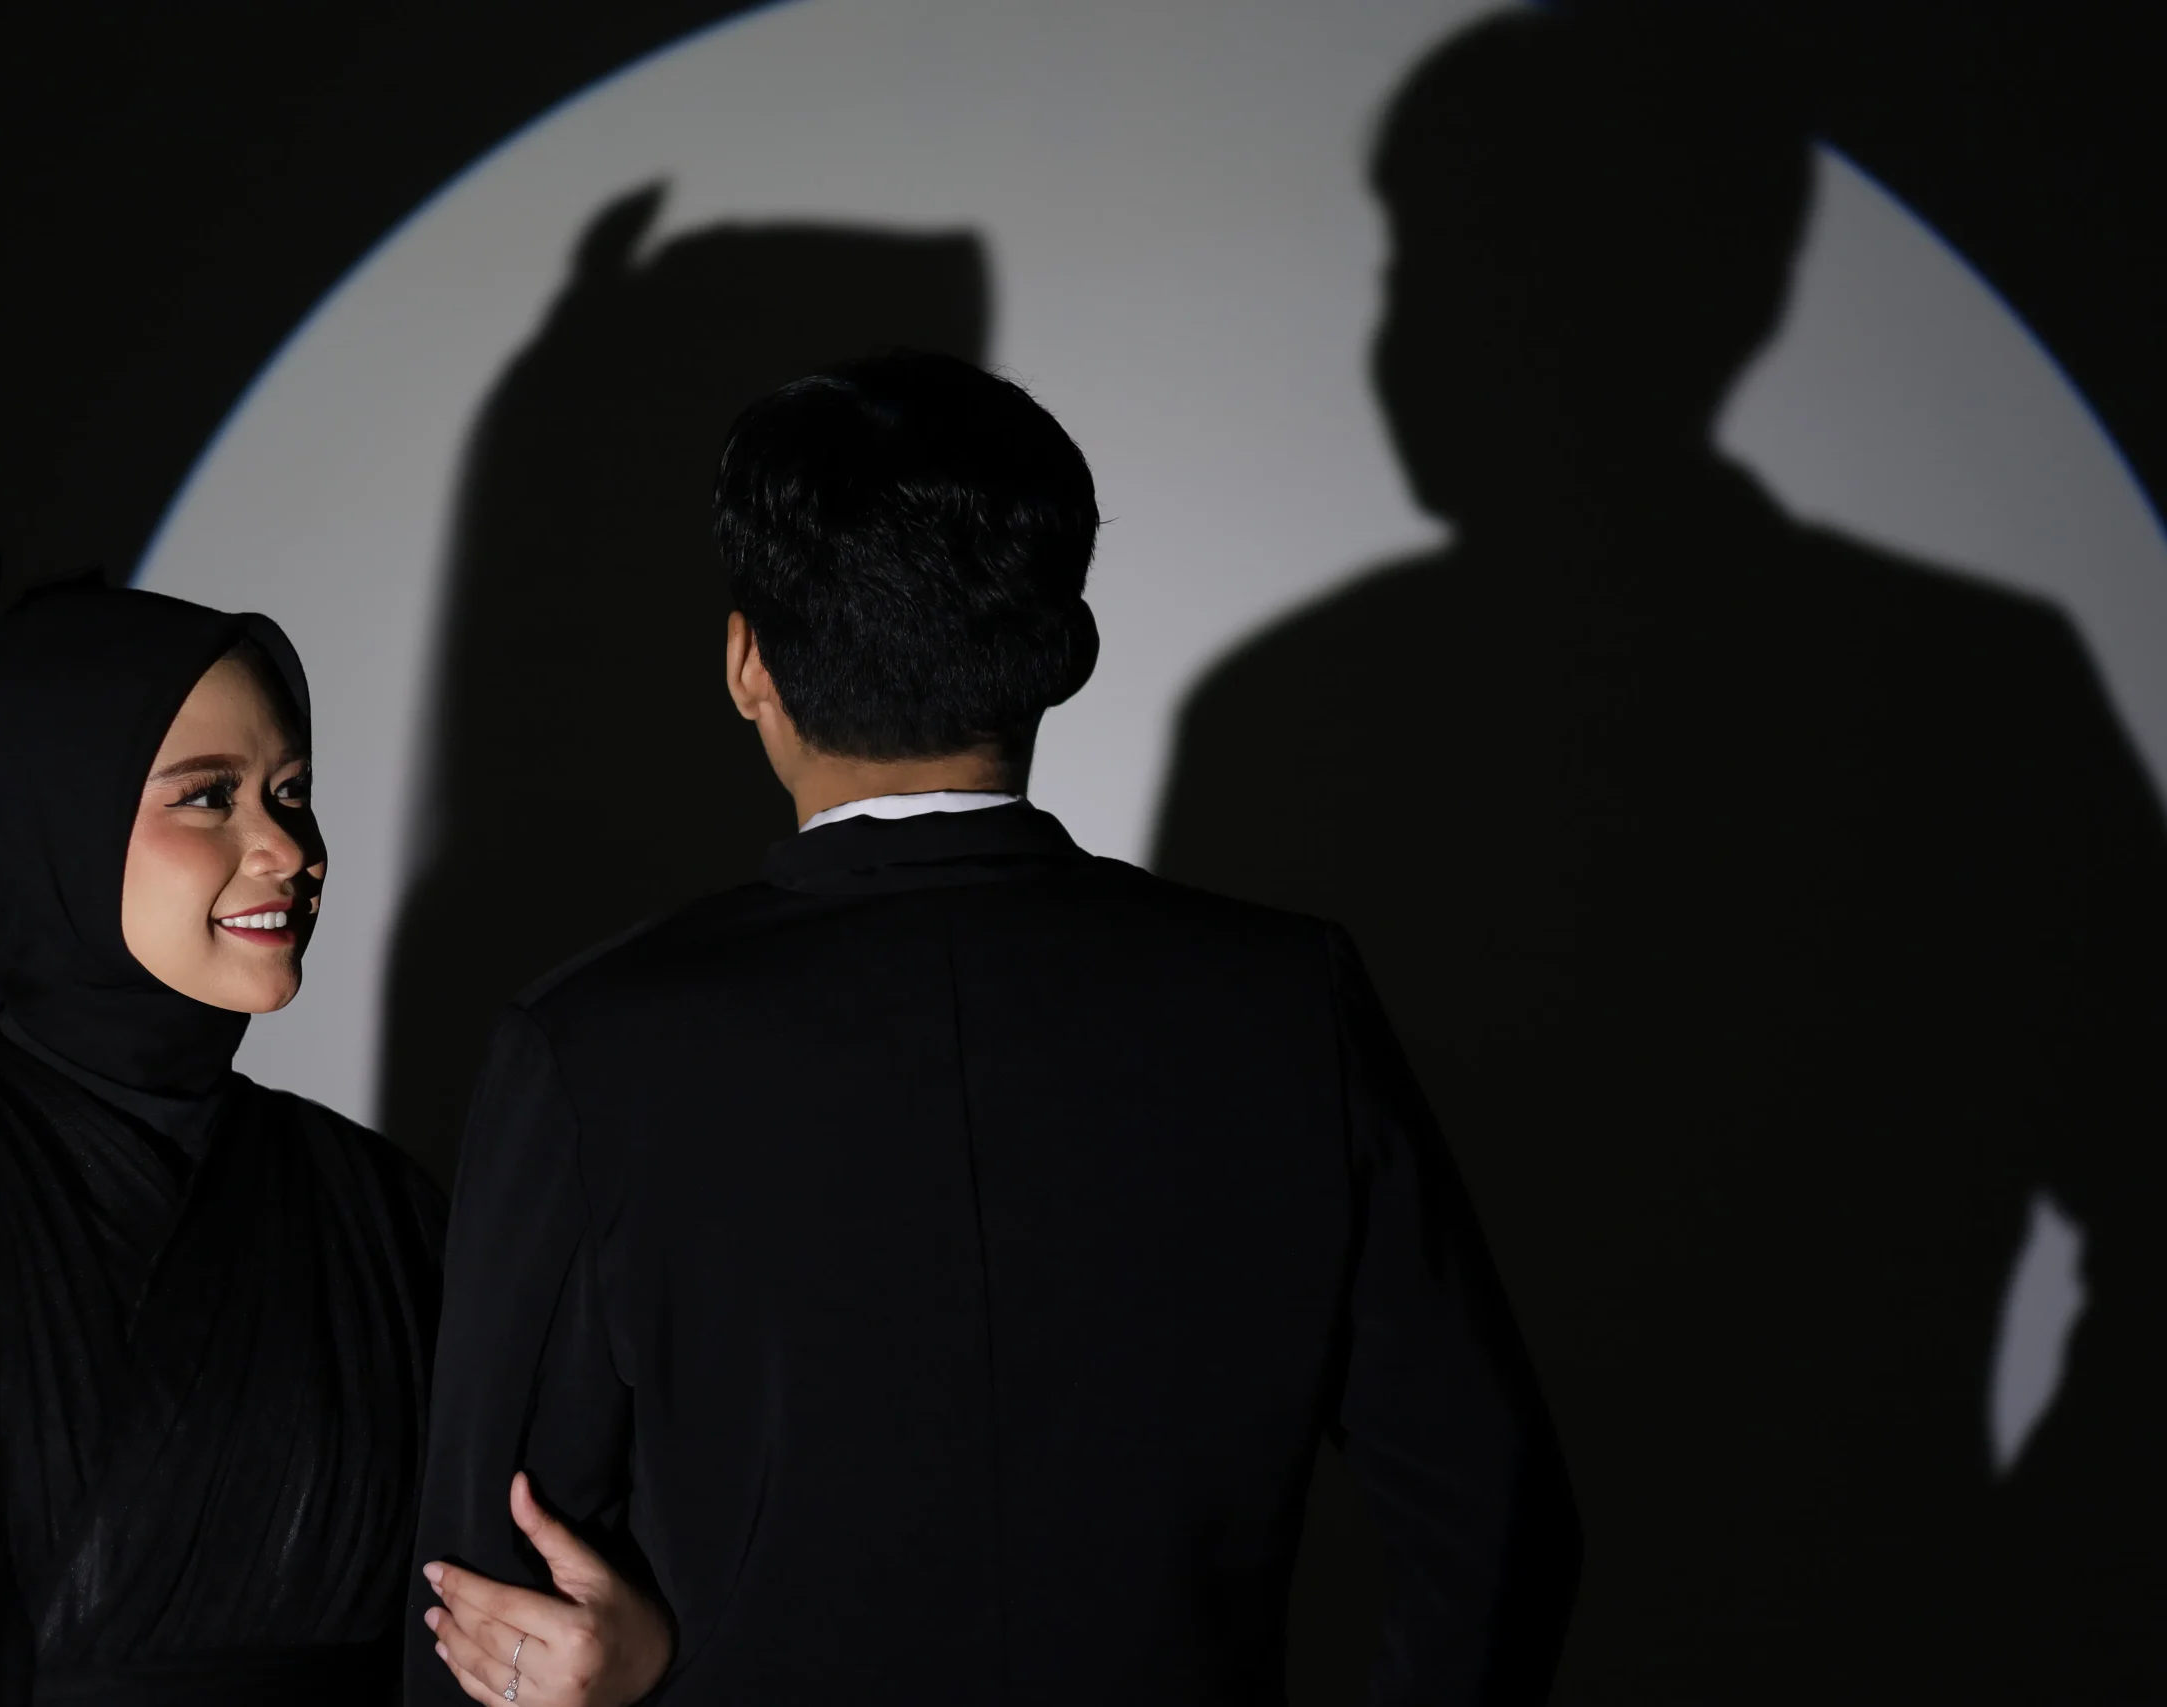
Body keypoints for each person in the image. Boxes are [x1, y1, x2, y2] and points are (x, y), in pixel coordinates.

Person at [1151, 13, 2167, 1702]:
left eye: (1463, 270)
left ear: (1695, 292)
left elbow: (1192, 1247)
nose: (1412, 335)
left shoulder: (1293, 709)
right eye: (1412, 272)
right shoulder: (1968, 684)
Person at [409, 350, 1579, 1704]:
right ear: (1068, 651)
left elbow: (482, 1609)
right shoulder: (1286, 999)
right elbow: (1494, 1523)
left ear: (744, 662)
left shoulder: (589, 1045)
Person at [0, 577, 669, 1706]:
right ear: (51, 823)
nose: (286, 847)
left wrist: (627, 1661)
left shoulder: (378, 1211)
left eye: (290, 791)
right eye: (207, 797)